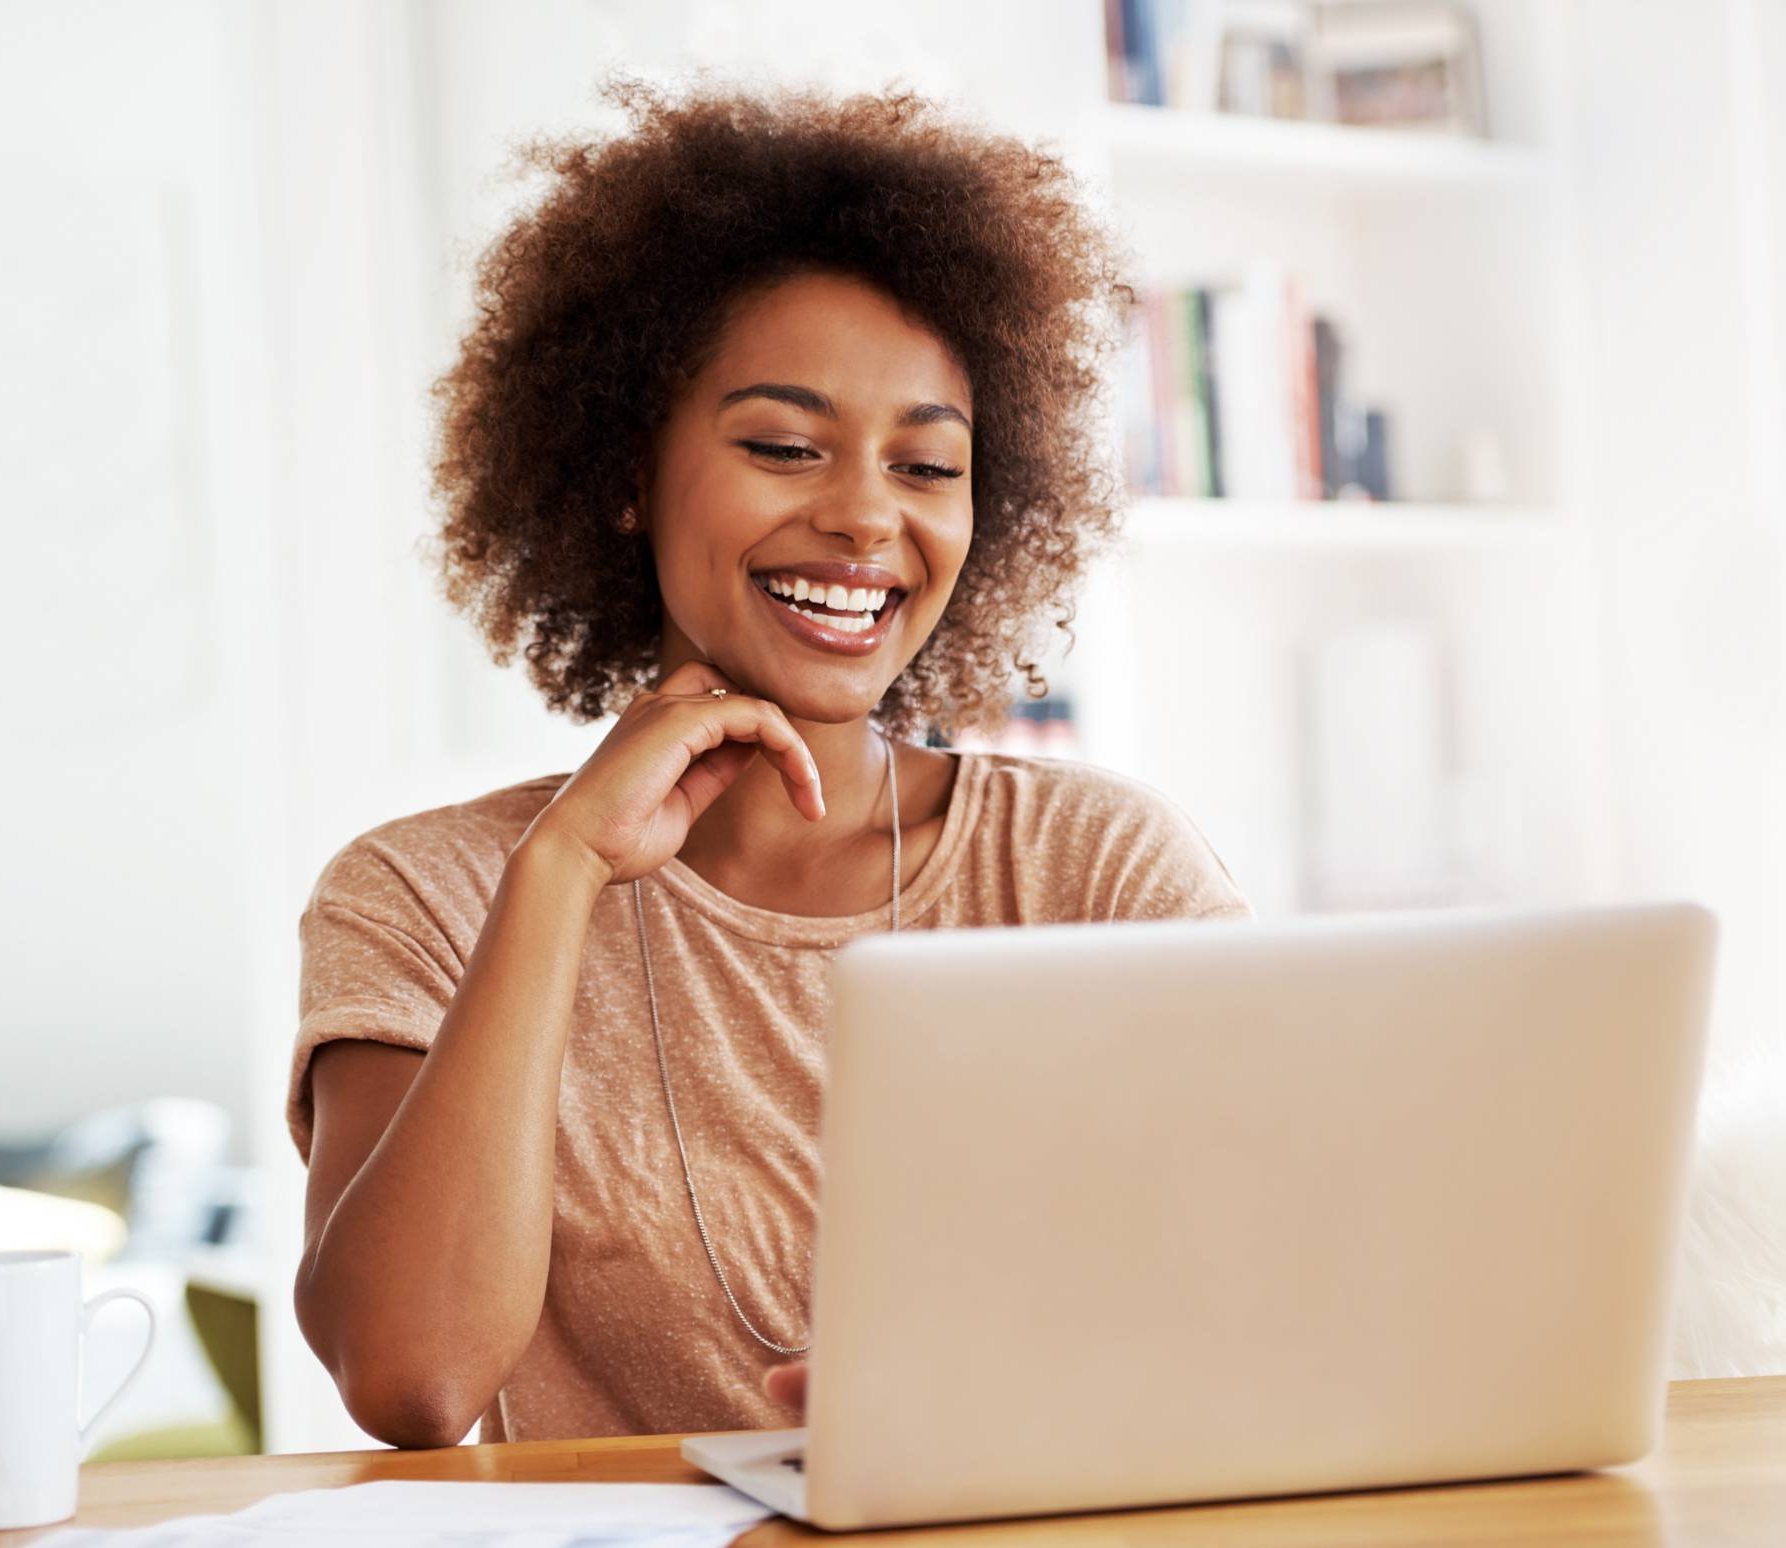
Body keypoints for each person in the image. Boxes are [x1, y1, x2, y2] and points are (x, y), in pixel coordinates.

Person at [288, 74, 1253, 1451]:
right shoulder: (423, 894)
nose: (865, 517)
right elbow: (414, 1379)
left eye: (927, 468)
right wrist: (559, 871)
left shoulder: (1094, 872)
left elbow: (1268, 1298)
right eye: (786, 447)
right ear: (628, 472)